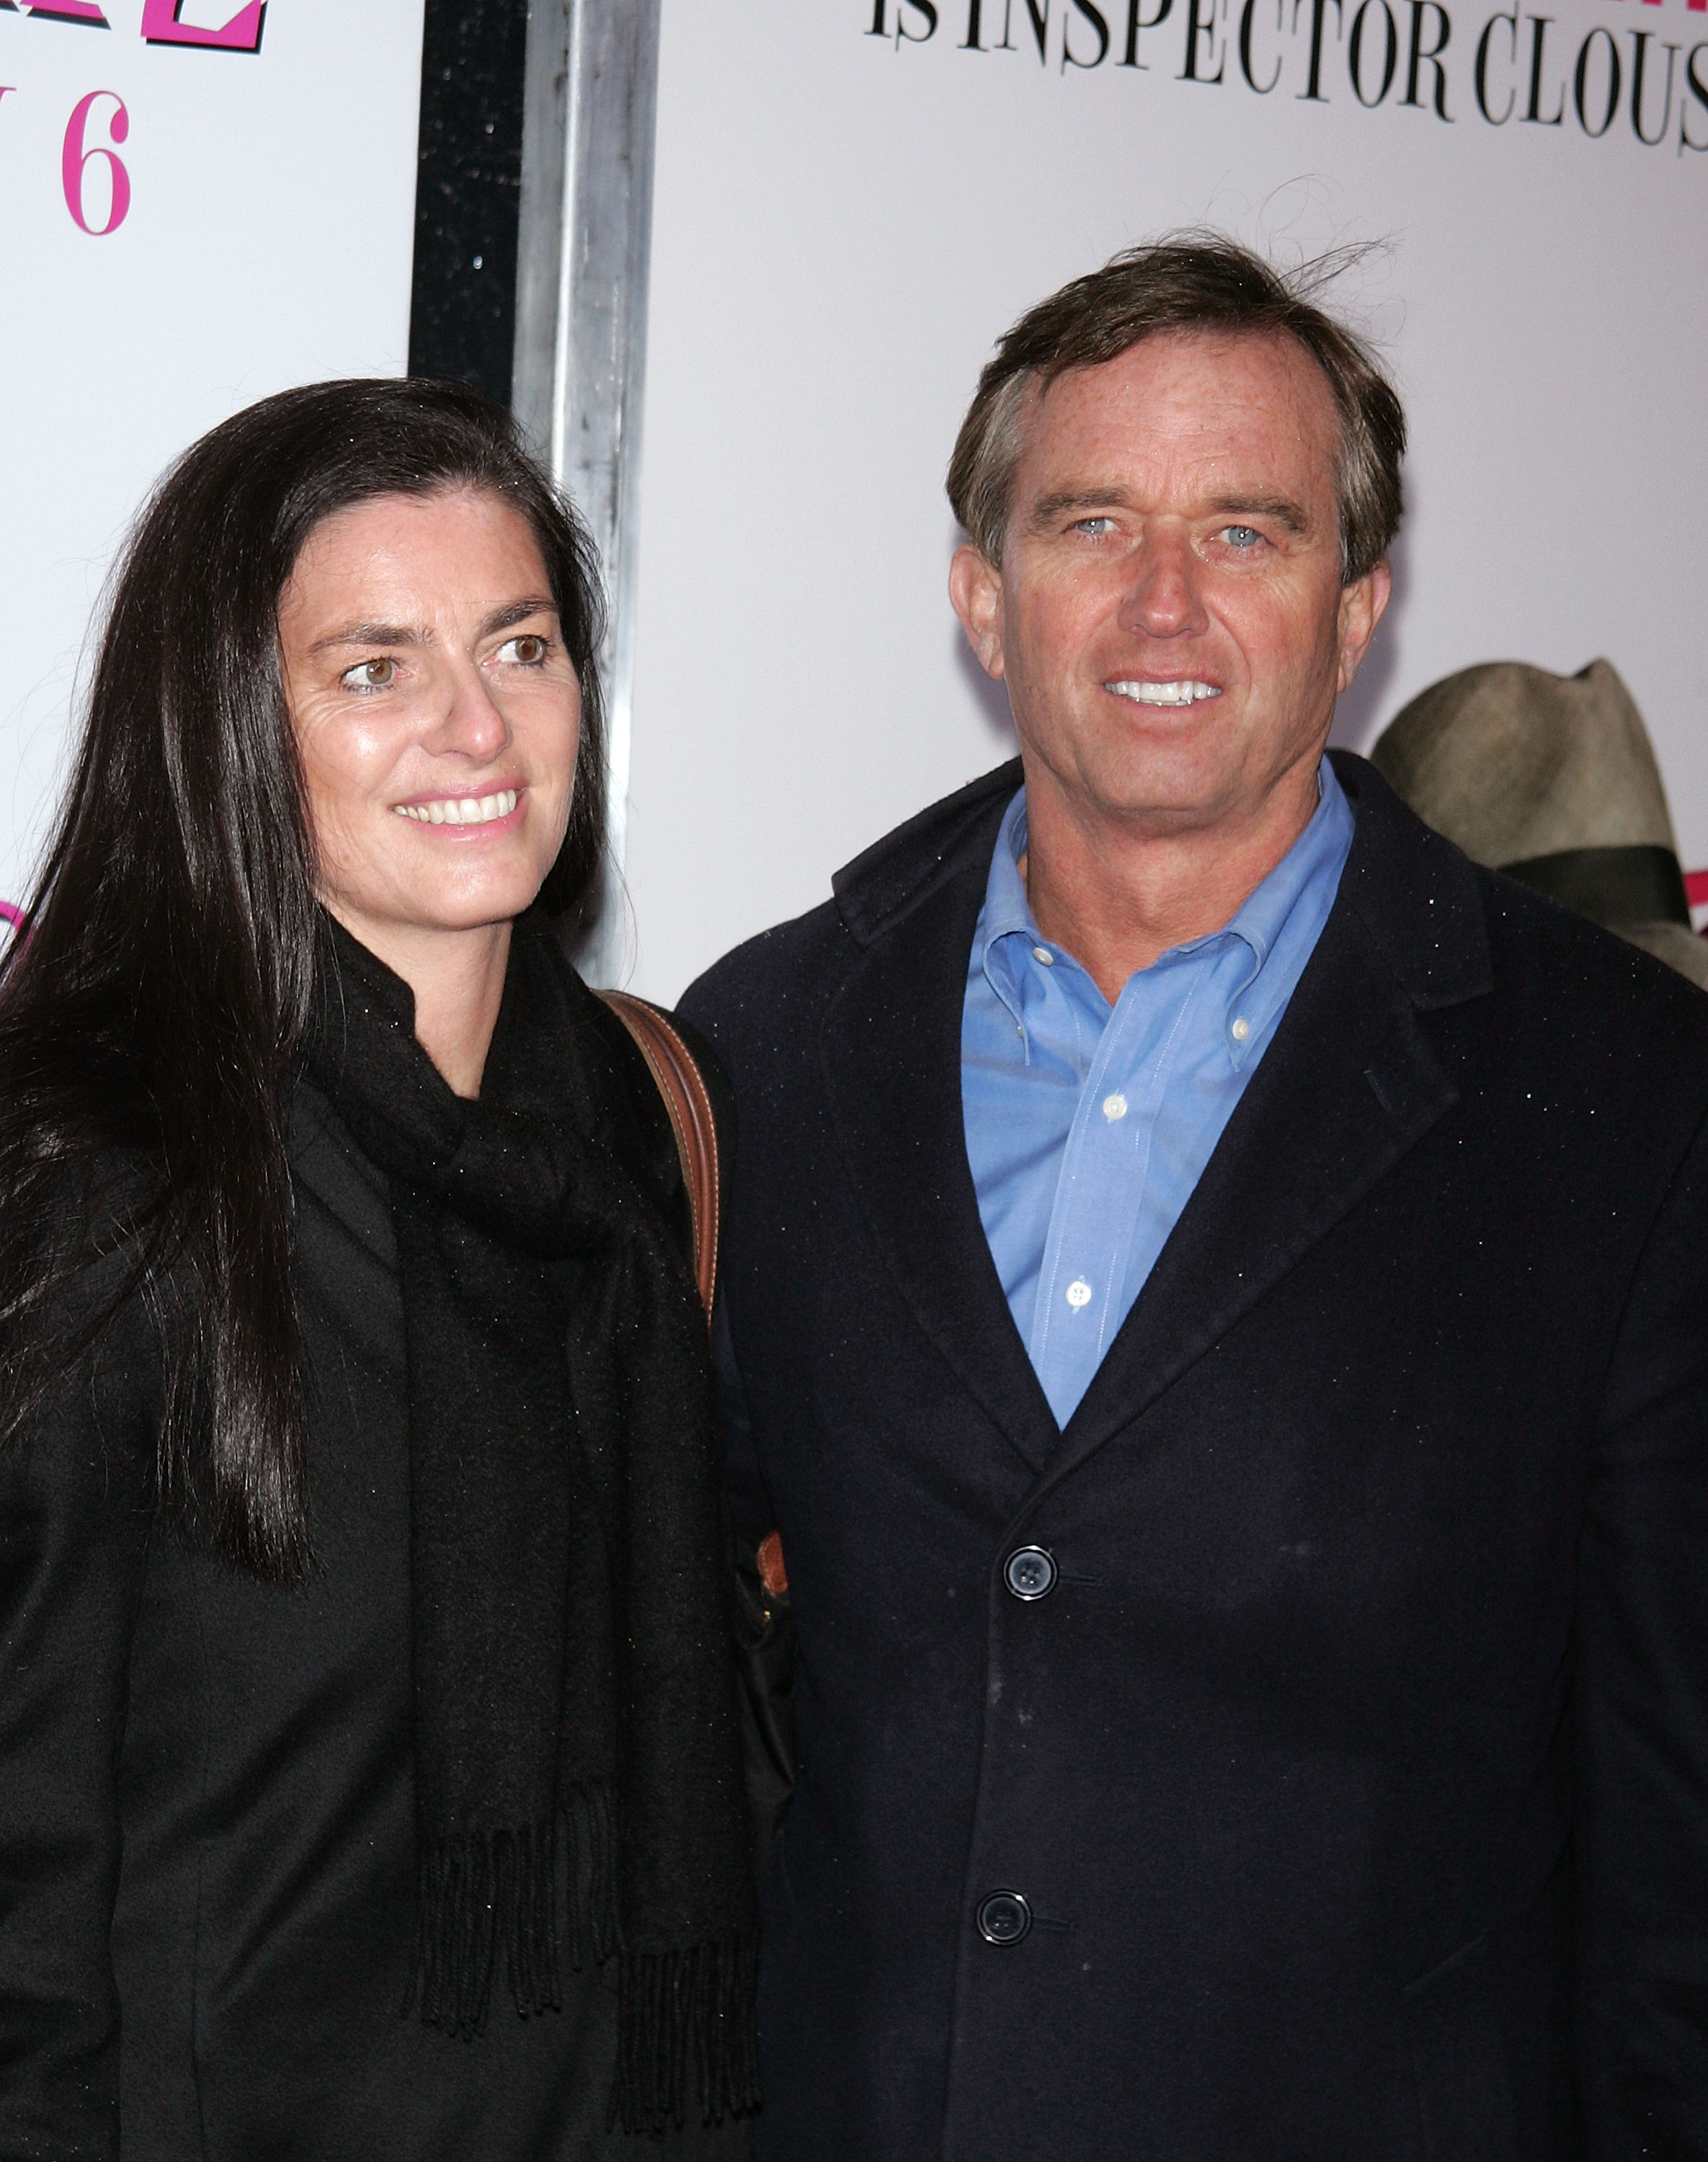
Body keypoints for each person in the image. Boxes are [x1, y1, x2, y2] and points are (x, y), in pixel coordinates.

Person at [680, 236, 1708, 2158]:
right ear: (985, 599)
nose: (1166, 600)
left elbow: (1676, 1835)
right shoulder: (774, 1048)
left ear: (1357, 604)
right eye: (1092, 524)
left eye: (1247, 532)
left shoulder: (1622, 1101)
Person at [0, 378, 759, 2158]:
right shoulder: (98, 1177)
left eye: (522, 646)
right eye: (372, 669)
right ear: (231, 725)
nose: (477, 729)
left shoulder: (641, 1128)